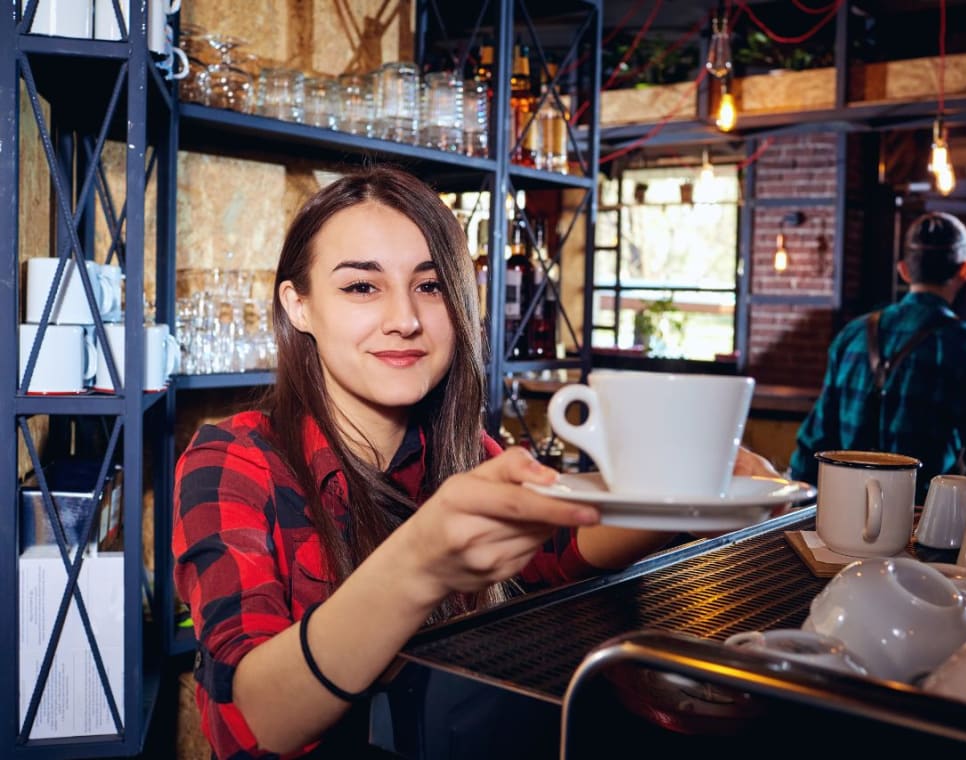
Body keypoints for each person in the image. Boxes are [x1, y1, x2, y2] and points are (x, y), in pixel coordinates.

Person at [173, 165, 779, 758]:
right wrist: (420, 563)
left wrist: (690, 487)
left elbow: (560, 550)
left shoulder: (461, 450)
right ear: (299, 305)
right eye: (362, 286)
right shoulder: (234, 459)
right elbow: (253, 718)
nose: (405, 319)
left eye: (430, 286)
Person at [788, 211, 966, 500]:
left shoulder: (853, 335)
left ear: (904, 270)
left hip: (839, 517)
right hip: (922, 526)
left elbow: (813, 446)